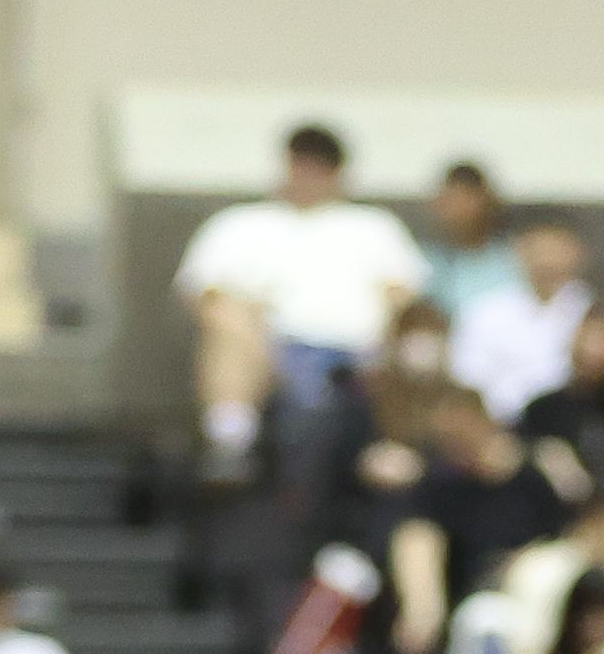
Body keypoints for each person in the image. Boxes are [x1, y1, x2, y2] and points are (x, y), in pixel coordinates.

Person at [175, 122, 429, 481]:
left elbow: (406, 297)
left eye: (320, 167)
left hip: (359, 354)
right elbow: (206, 297)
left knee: (418, 340)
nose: (309, 176)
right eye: (301, 164)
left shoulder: (374, 227)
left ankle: (405, 448)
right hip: (271, 352)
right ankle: (231, 446)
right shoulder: (239, 225)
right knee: (227, 331)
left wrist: (382, 343)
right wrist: (261, 344)